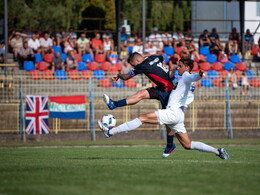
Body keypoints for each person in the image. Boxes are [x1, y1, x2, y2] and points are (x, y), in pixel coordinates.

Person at [98, 57, 230, 160]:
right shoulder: (183, 78)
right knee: (187, 145)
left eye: (180, 66)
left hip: (172, 112)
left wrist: (199, 74)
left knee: (142, 118)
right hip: (178, 115)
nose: (177, 67)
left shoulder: (187, 76)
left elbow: (192, 76)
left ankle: (111, 132)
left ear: (187, 67)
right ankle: (218, 151)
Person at [103, 52, 177, 157]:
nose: (134, 67)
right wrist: (147, 56)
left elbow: (126, 77)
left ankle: (170, 145)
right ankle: (114, 104)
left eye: (133, 65)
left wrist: (119, 75)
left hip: (167, 92)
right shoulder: (154, 58)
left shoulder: (143, 66)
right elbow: (163, 56)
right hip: (162, 88)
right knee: (141, 94)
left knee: (168, 122)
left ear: (137, 61)